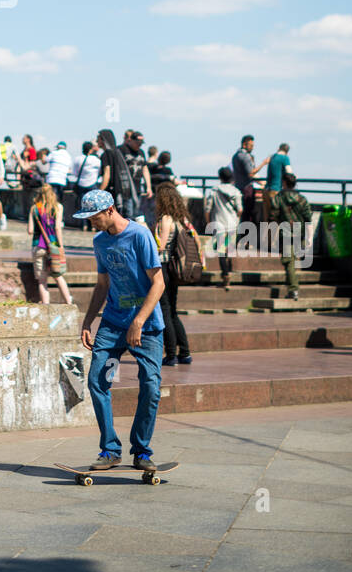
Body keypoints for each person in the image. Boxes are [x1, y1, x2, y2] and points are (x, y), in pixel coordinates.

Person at [75, 189, 166, 473]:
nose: (92, 223)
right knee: (98, 380)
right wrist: (88, 320)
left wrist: (138, 321)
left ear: (110, 210)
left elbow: (159, 283)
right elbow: (102, 285)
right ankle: (110, 449)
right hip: (113, 325)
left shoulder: (140, 235)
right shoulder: (100, 242)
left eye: (94, 217)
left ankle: (141, 450)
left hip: (147, 327)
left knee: (150, 385)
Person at [154, 184, 195, 366]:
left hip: (163, 267)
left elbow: (161, 246)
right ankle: (184, 353)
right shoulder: (181, 218)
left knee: (165, 311)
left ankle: (171, 354)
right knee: (172, 310)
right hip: (173, 268)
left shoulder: (165, 219)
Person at [269, 170, 311, 301]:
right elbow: (308, 218)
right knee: (293, 262)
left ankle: (293, 290)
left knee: (289, 263)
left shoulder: (278, 198)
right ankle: (292, 286)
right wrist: (309, 238)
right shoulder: (302, 199)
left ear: (284, 183)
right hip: (300, 233)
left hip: (286, 234)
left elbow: (273, 217)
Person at [28, 185, 73, 305]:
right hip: (53, 246)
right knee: (58, 275)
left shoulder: (34, 208)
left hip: (38, 245)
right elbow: (58, 228)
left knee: (42, 280)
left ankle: (46, 305)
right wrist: (61, 246)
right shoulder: (58, 207)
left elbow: (30, 230)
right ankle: (68, 301)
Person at [205, 166, 242, 287]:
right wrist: (237, 219)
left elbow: (207, 209)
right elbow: (240, 209)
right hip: (232, 224)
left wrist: (208, 222)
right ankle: (228, 273)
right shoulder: (236, 191)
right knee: (229, 250)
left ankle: (225, 275)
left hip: (218, 224)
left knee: (221, 252)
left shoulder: (214, 191)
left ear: (219, 177)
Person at [232, 134, 270, 225]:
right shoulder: (245, 156)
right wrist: (263, 163)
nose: (252, 148)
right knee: (248, 215)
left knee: (243, 216)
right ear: (244, 145)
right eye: (251, 145)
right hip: (246, 189)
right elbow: (251, 173)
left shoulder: (235, 156)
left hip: (238, 187)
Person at [120, 129, 152, 219]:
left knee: (135, 212)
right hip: (125, 188)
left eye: (141, 143)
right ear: (131, 140)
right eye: (137, 143)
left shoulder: (141, 152)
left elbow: (145, 169)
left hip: (137, 187)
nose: (139, 145)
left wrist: (148, 187)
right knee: (128, 212)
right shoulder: (122, 150)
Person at [70, 142, 101, 229]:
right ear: (91, 149)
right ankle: (93, 225)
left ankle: (84, 224)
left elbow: (75, 173)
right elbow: (99, 172)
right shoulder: (96, 160)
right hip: (92, 183)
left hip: (81, 184)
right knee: (93, 206)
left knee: (83, 205)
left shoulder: (77, 159)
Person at [263, 143, 291, 222]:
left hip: (266, 190)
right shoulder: (285, 158)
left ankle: (265, 234)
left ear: (278, 148)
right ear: (287, 151)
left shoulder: (272, 157)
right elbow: (289, 172)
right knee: (275, 219)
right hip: (276, 190)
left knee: (266, 220)